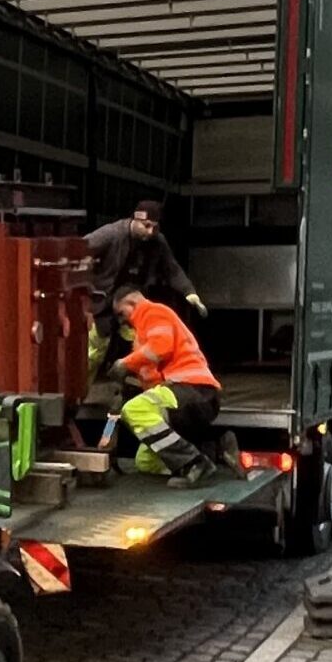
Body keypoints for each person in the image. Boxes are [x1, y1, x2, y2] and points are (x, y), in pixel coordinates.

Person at [110, 285, 236, 489]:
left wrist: (125, 364)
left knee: (135, 410)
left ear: (133, 304)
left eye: (121, 313)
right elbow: (153, 369)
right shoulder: (143, 333)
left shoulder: (152, 312)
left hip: (193, 389)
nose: (121, 320)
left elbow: (161, 347)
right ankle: (214, 448)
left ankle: (195, 463)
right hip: (191, 395)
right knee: (146, 461)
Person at [86, 200, 207, 378]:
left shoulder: (157, 241)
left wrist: (189, 292)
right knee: (94, 353)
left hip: (132, 305)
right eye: (147, 226)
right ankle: (77, 396)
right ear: (135, 219)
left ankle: (133, 392)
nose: (151, 232)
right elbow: (79, 248)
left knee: (142, 350)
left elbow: (171, 268)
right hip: (102, 303)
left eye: (155, 227)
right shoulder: (111, 234)